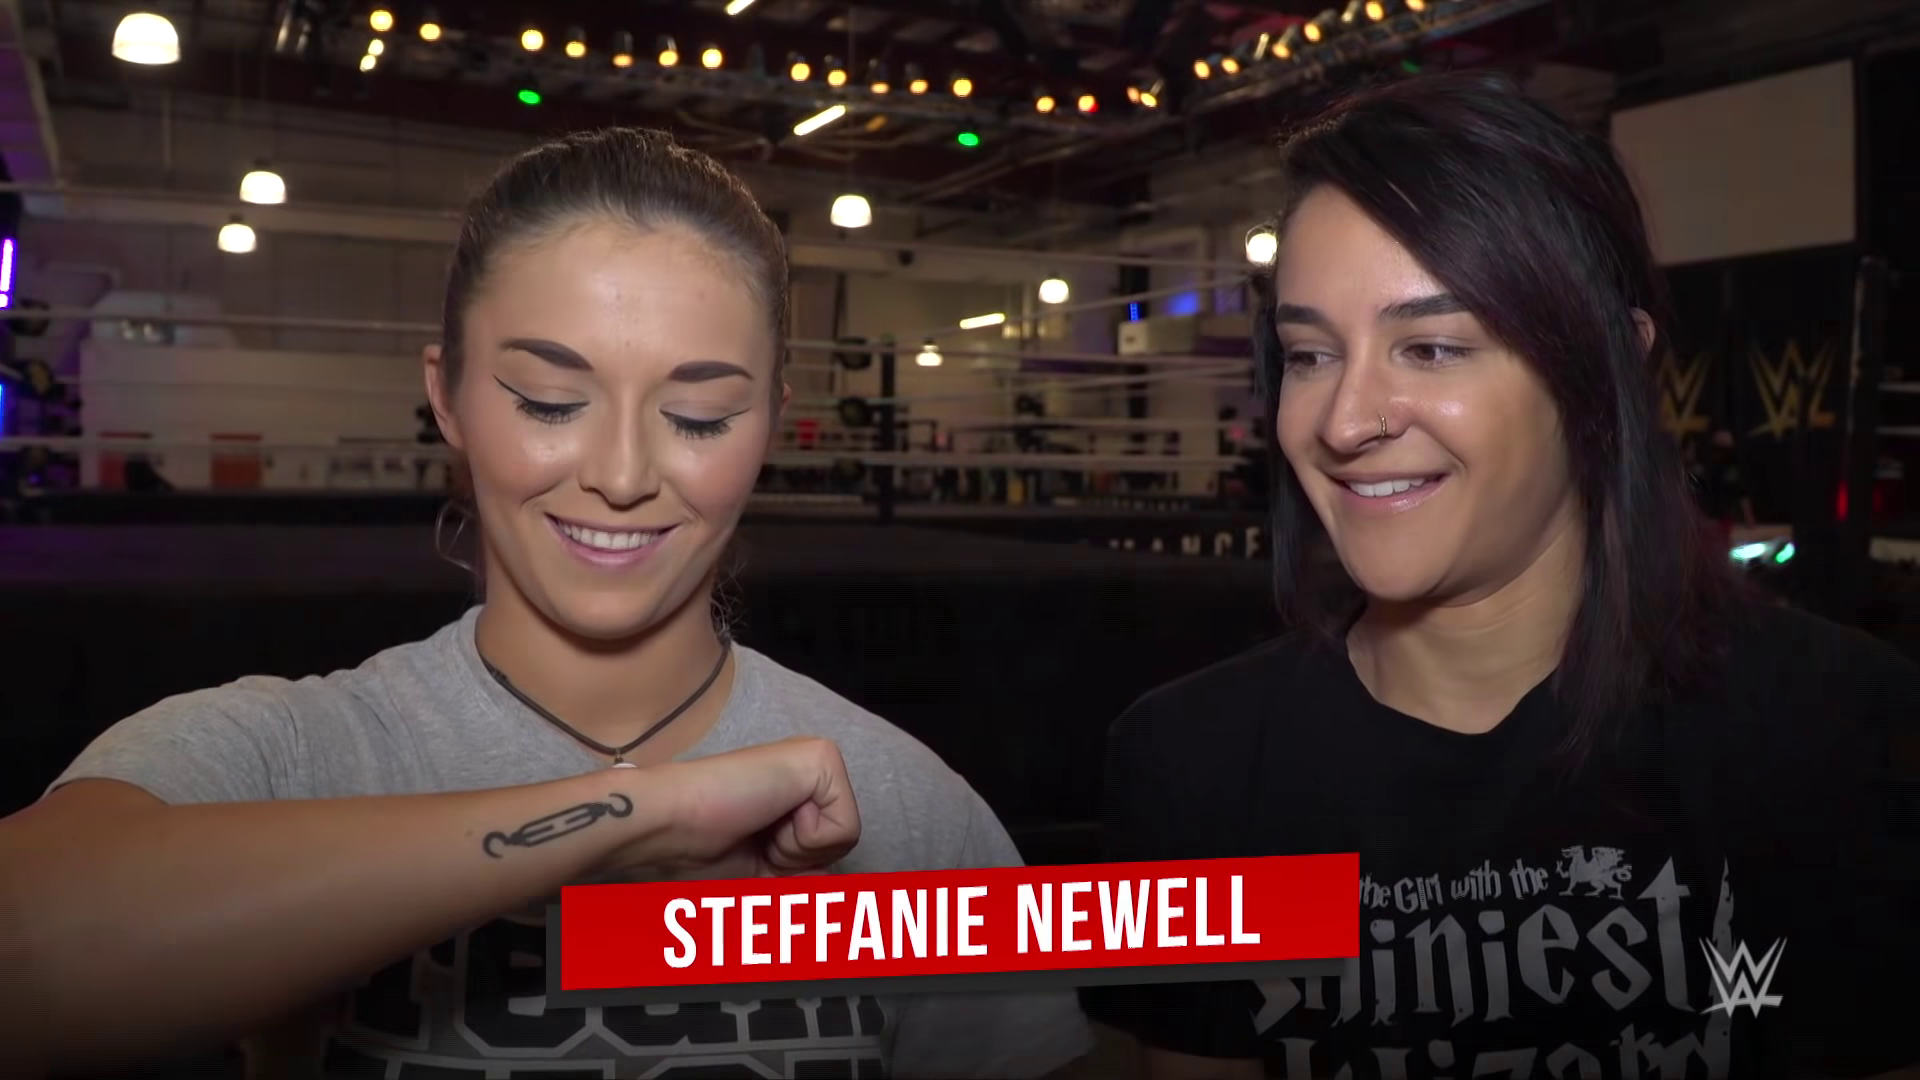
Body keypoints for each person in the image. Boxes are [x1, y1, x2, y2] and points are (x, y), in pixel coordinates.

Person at [0, 128, 1092, 1079]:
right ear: (447, 397)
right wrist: (635, 815)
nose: (620, 473)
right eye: (549, 399)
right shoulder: (300, 754)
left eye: (701, 416)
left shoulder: (903, 811)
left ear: (770, 421)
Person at [1080, 73, 1918, 1080]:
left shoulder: (1832, 729)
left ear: (1608, 369)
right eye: (1309, 355)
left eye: (1432, 347)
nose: (1344, 422)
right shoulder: (1194, 766)